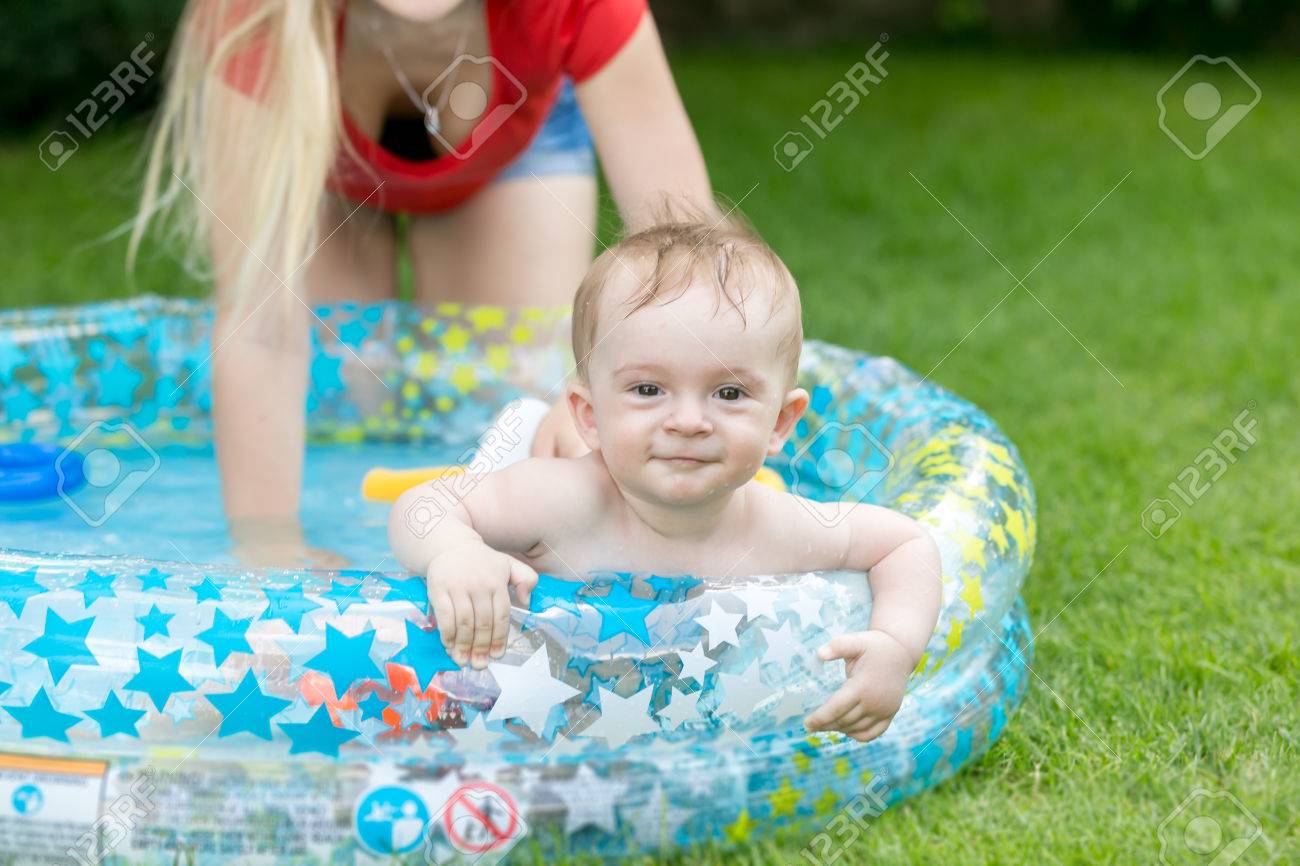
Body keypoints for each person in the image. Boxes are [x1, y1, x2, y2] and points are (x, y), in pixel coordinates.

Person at [131, 0, 715, 566]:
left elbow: (689, 266)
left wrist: (579, 387)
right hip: (318, 160)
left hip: (507, 141)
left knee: (506, 416)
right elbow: (261, 325)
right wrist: (267, 545)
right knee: (350, 406)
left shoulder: (579, 6)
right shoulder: (254, 13)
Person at [388, 215, 942, 743]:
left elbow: (906, 543)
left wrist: (895, 645)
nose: (688, 422)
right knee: (499, 477)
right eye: (648, 390)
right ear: (589, 415)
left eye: (728, 394)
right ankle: (530, 430)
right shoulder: (563, 502)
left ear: (779, 423)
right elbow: (423, 506)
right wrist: (456, 553)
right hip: (522, 504)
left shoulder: (779, 526)